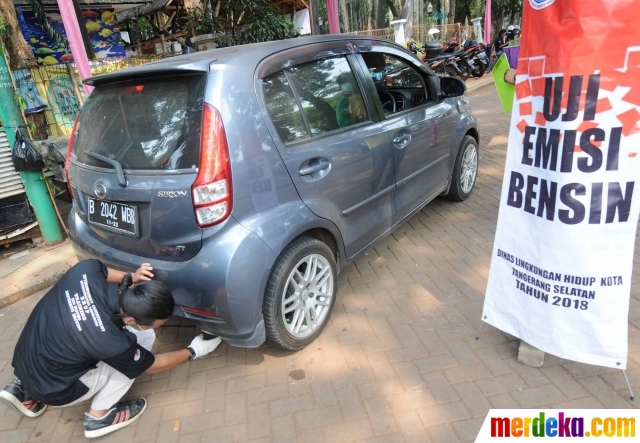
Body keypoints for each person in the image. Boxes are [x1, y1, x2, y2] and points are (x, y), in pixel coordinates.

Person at [0, 259, 221, 439]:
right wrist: (193, 351)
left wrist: (133, 276)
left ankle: (23, 391)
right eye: (159, 322)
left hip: (25, 363)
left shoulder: (84, 271)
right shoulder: (112, 342)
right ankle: (99, 417)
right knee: (139, 348)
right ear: (132, 318)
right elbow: (151, 366)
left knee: (63, 337)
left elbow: (103, 271)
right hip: (58, 391)